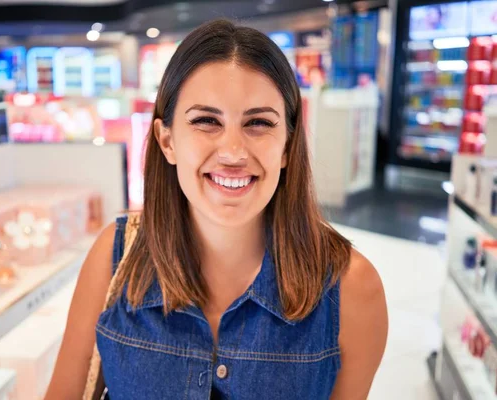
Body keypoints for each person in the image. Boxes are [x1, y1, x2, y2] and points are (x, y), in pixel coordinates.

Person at [45, 19, 387, 400]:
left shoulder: (353, 289)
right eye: (206, 121)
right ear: (167, 140)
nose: (233, 153)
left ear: (288, 145)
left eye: (258, 123)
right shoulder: (115, 258)